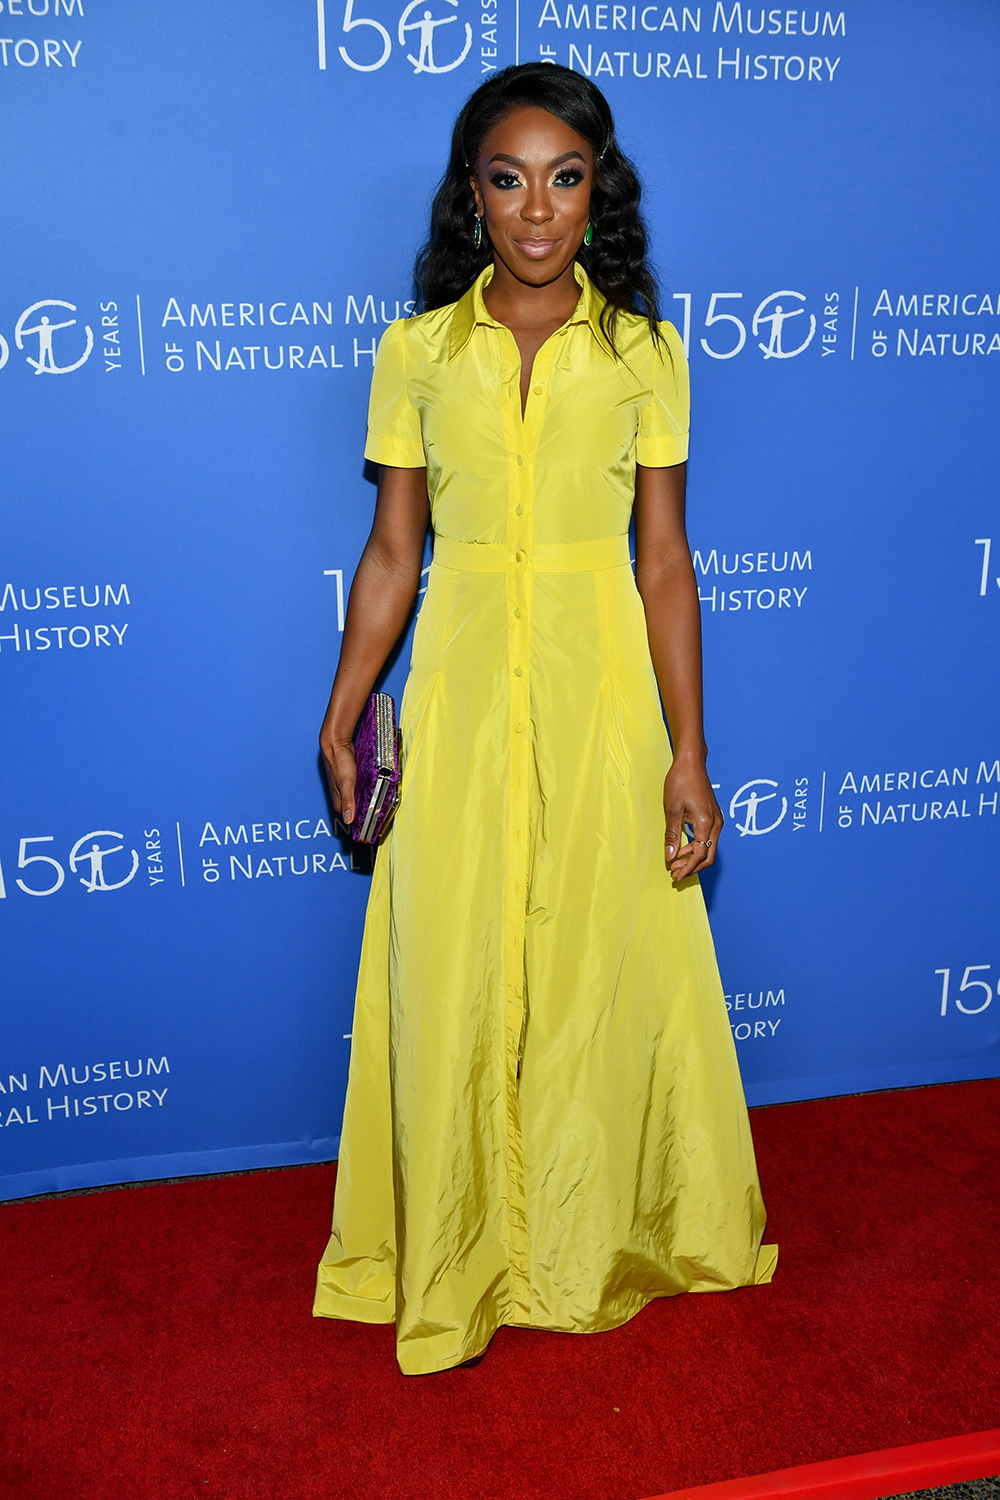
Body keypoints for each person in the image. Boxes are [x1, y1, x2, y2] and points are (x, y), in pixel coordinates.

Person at [313, 63, 776, 1376]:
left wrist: (688, 752)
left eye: (564, 179)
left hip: (598, 696)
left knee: (595, 971)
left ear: (597, 193)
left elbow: (665, 565)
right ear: (473, 196)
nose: (536, 210)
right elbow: (395, 553)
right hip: (455, 697)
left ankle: (583, 1245)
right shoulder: (417, 353)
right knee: (451, 961)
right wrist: (348, 709)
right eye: (509, 179)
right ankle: (454, 1245)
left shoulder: (644, 354)